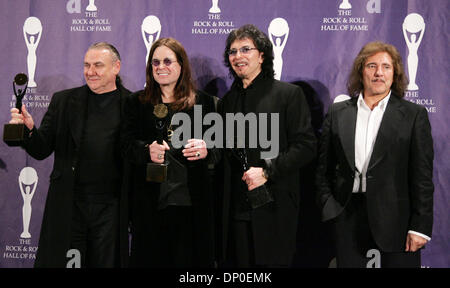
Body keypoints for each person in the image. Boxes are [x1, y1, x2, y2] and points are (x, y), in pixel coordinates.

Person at [8, 42, 132, 268]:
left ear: (116, 67)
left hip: (111, 209)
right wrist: (29, 130)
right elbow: (41, 148)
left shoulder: (133, 104)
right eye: (86, 65)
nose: (90, 71)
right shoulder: (64, 101)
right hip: (69, 205)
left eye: (98, 65)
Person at [315, 41, 434, 268]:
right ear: (361, 71)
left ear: (395, 73)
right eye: (372, 66)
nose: (379, 72)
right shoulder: (339, 112)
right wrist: (330, 207)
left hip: (397, 221)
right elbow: (324, 169)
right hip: (347, 217)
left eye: (386, 67)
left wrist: (420, 226)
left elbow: (422, 178)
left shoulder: (413, 115)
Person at [218, 24, 317, 267]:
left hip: (275, 205)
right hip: (237, 209)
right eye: (232, 52)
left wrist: (266, 171)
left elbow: (306, 146)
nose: (238, 56)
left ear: (262, 55)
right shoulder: (227, 102)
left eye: (245, 49)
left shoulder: (288, 95)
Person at [121, 37, 219, 267]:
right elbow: (124, 146)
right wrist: (147, 150)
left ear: (181, 65)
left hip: (192, 205)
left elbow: (220, 151)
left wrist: (206, 149)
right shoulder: (136, 102)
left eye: (167, 61)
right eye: (155, 63)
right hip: (150, 206)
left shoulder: (205, 103)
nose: (160, 67)